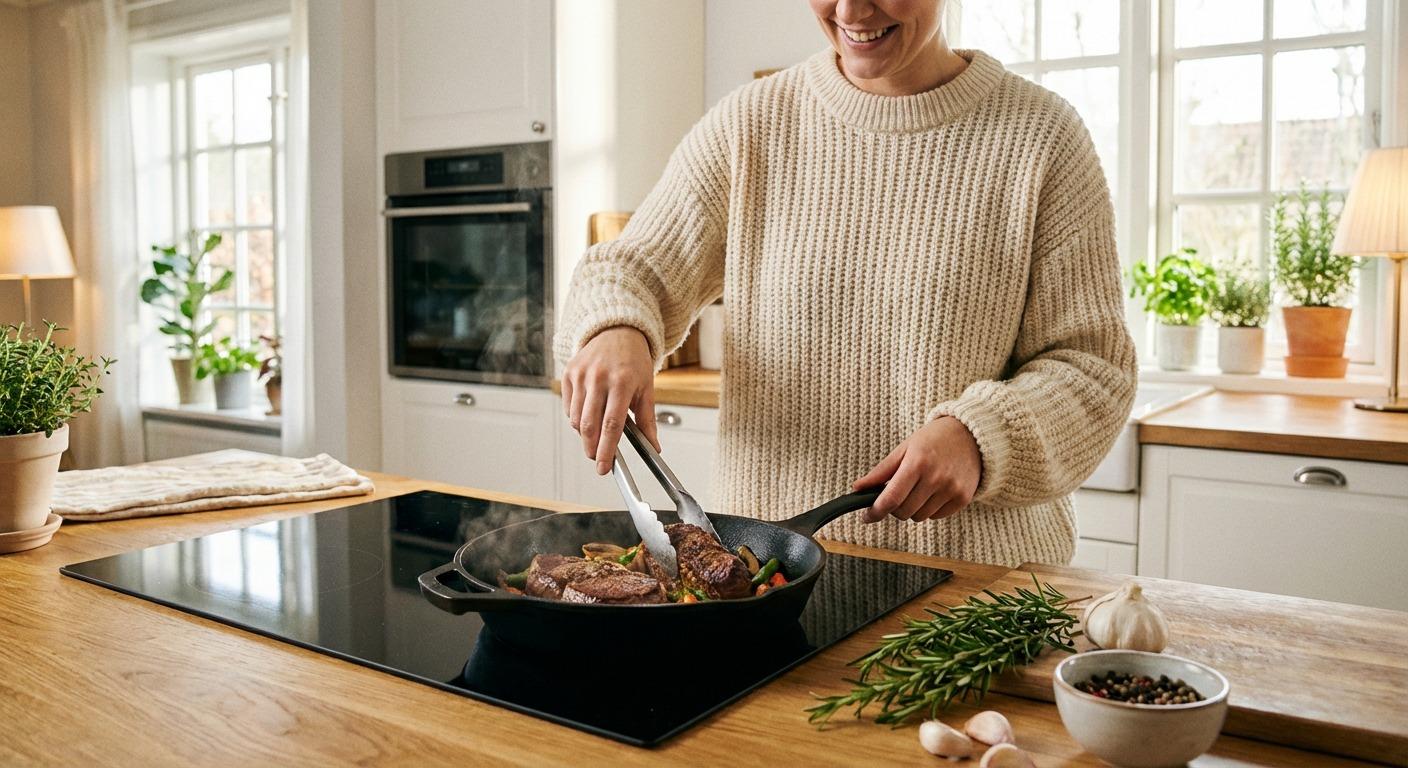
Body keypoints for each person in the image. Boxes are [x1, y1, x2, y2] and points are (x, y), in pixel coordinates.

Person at [554, 0, 1137, 567]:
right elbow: (632, 268)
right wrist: (617, 328)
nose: (852, 11)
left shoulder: (1042, 136)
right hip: (767, 579)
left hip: (978, 595)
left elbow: (1093, 368)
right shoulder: (751, 125)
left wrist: (980, 439)